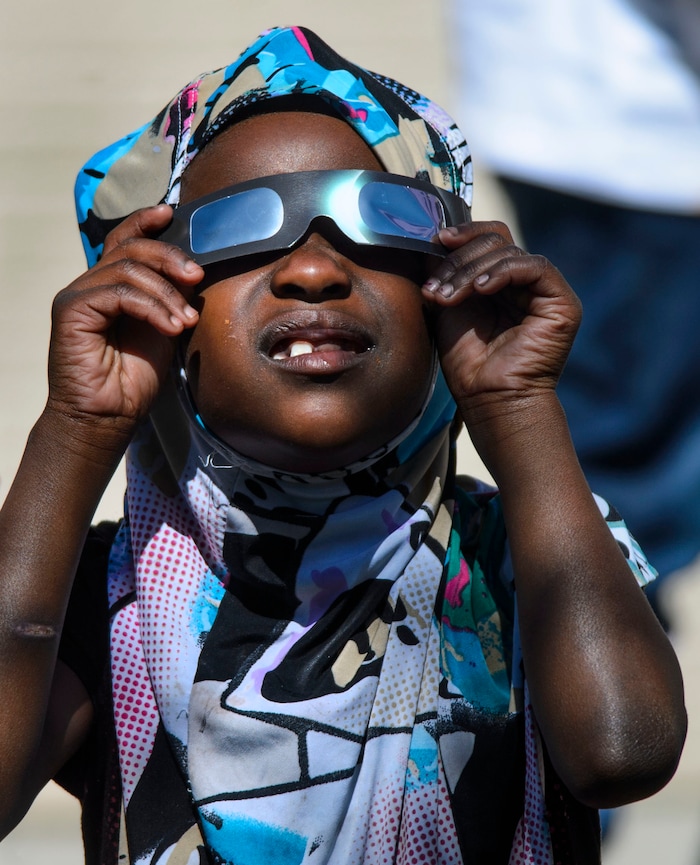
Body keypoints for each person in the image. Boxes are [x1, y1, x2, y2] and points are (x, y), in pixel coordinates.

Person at [0, 25, 686, 865]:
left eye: (379, 217)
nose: (314, 270)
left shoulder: (525, 559)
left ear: (449, 294)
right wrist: (76, 428)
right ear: (163, 317)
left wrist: (517, 404)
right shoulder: (114, 600)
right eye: (244, 225)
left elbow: (623, 751)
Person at [445, 0, 700, 629]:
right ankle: (613, 615)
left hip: (554, 100)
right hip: (637, 130)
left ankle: (606, 607)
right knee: (630, 426)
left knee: (611, 400)